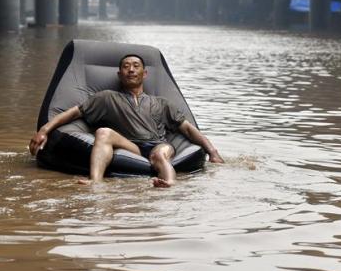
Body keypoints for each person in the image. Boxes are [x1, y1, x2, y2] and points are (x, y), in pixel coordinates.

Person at [29, 54, 224, 187]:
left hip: (159, 144)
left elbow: (188, 130)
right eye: (126, 66)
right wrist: (44, 130)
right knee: (103, 132)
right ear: (119, 74)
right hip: (132, 146)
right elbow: (73, 113)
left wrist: (212, 152)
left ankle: (169, 183)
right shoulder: (106, 98)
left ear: (144, 74)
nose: (131, 70)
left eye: (136, 66)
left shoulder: (162, 103)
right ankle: (96, 183)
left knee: (159, 155)